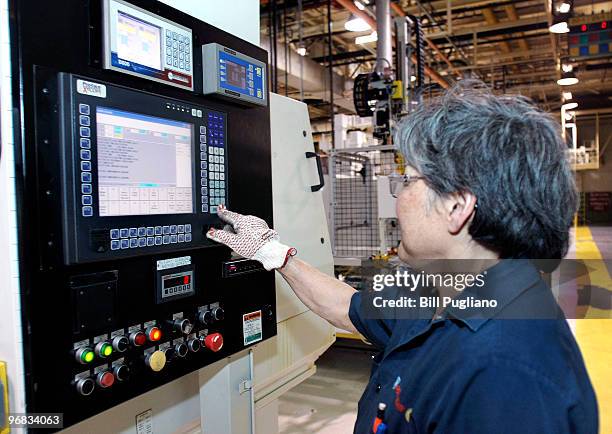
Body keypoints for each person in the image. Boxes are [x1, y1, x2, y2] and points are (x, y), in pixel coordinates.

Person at [206, 82, 598, 434]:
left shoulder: (507, 374)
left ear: (458, 207)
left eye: (408, 180)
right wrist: (272, 251)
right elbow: (348, 308)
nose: (397, 195)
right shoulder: (442, 293)